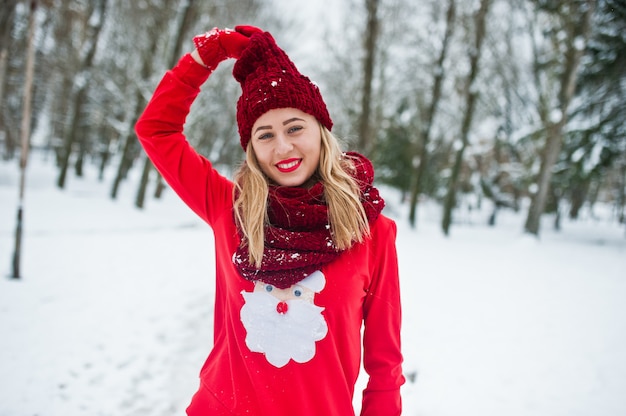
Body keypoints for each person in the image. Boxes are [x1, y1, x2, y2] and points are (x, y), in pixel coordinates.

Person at [135, 25, 404, 416]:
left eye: (295, 128)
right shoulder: (231, 210)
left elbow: (385, 368)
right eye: (265, 135)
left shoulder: (372, 232)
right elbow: (156, 130)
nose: (283, 147)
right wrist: (201, 59)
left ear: (322, 132)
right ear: (251, 149)